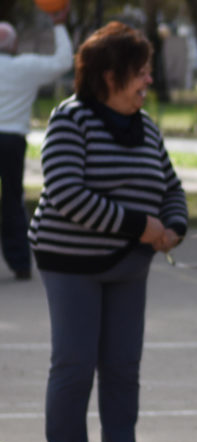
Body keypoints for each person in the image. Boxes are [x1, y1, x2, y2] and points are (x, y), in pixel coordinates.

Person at [29, 22, 186, 442]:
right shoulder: (70, 119)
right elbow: (66, 194)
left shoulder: (147, 128)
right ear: (109, 75)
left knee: (122, 368)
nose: (148, 82)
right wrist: (141, 226)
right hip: (69, 263)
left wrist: (174, 226)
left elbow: (171, 187)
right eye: (140, 72)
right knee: (74, 366)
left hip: (128, 267)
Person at [0, 9, 72, 281]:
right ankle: (20, 263)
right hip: (12, 140)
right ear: (15, 45)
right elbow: (63, 61)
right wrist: (58, 25)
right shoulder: (26, 67)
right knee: (12, 199)